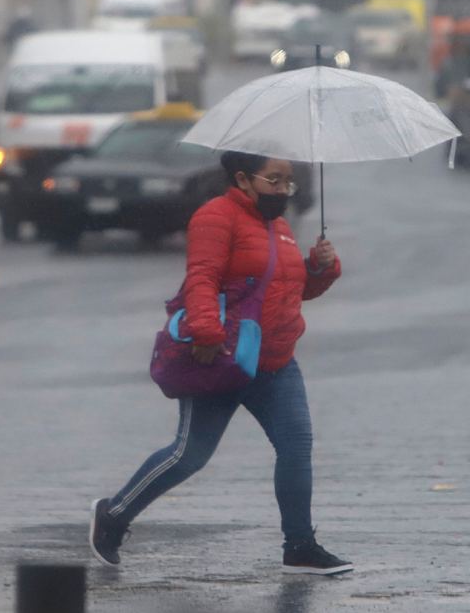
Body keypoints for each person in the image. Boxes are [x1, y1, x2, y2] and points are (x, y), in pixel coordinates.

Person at [89, 151, 353, 576]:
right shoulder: (216, 217)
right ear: (244, 179)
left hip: (274, 362)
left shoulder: (280, 228)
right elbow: (202, 277)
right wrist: (208, 333)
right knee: (188, 455)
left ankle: (300, 545)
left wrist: (321, 270)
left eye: (289, 182)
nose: (284, 189)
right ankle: (114, 514)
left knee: (296, 446)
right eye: (275, 179)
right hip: (222, 357)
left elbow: (289, 291)